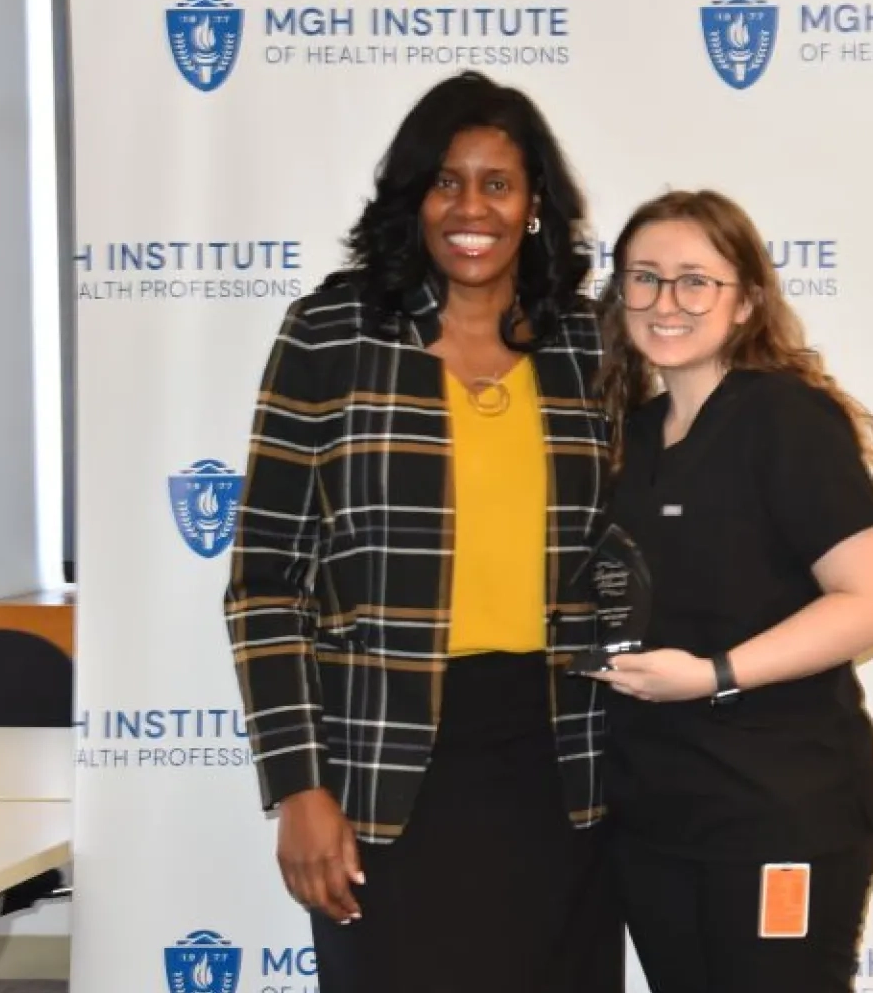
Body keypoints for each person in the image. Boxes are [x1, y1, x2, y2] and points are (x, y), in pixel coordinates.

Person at [223, 70, 621, 993]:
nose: (470, 206)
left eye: (497, 183)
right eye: (447, 180)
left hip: (562, 768)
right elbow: (265, 581)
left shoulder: (586, 346)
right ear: (413, 197)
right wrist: (300, 785)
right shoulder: (330, 332)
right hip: (381, 770)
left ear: (533, 207)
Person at [588, 189, 873, 992]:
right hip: (655, 816)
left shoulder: (785, 420)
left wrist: (714, 674)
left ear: (746, 304)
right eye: (645, 278)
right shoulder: (627, 443)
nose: (667, 302)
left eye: (696, 281)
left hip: (776, 811)